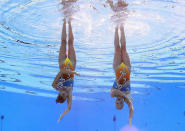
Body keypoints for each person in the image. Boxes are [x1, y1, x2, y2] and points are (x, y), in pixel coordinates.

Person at [108, 0, 134, 126]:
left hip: (117, 68)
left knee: (117, 48)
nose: (118, 101)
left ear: (115, 102)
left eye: (117, 103)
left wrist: (124, 96)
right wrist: (130, 120)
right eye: (120, 103)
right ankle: (122, 26)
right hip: (127, 69)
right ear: (122, 103)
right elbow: (132, 108)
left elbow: (116, 92)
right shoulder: (127, 97)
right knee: (124, 47)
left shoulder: (113, 94)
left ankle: (116, 27)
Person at [52, 18, 79, 122]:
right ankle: (70, 21)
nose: (63, 92)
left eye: (61, 94)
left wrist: (72, 73)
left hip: (62, 64)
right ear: (67, 97)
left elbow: (61, 72)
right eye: (64, 95)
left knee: (63, 42)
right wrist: (61, 116)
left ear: (58, 94)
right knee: (71, 42)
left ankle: (64, 21)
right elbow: (69, 108)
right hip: (72, 64)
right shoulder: (70, 94)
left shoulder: (55, 86)